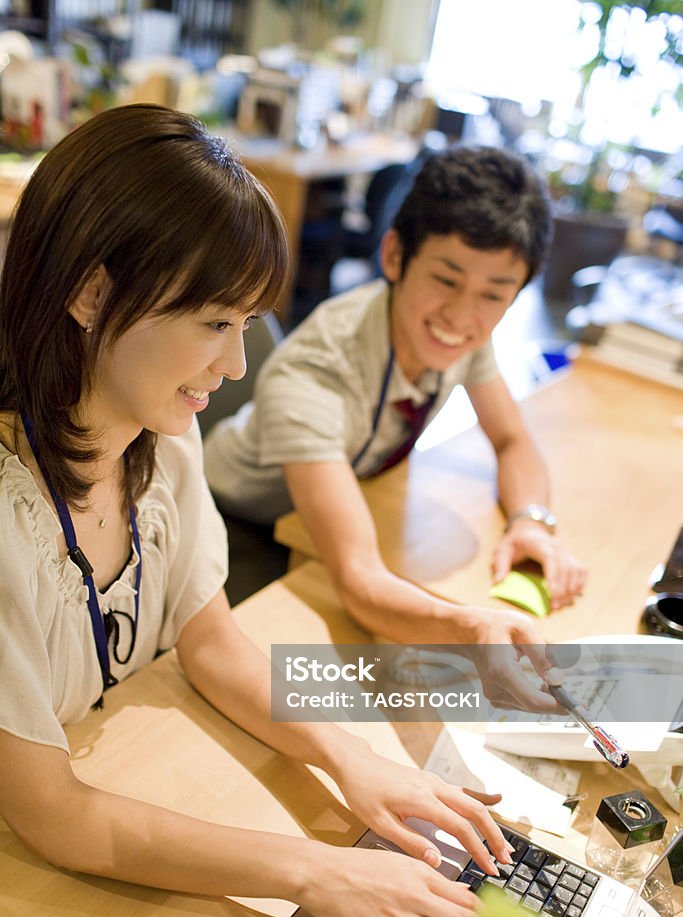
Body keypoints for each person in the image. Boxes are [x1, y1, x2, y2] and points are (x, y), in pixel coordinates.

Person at [0, 103, 528, 917]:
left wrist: (351, 762)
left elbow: (210, 644)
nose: (236, 365)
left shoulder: (160, 442)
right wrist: (314, 870)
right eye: (215, 323)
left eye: (244, 326)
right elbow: (53, 818)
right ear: (91, 293)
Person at [204, 145, 586, 710]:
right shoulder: (317, 370)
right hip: (237, 523)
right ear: (393, 255)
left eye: (493, 295)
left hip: (326, 514)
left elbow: (512, 440)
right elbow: (359, 579)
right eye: (446, 279)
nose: (461, 315)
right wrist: (471, 630)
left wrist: (531, 523)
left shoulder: (462, 340)